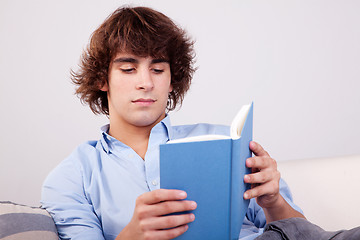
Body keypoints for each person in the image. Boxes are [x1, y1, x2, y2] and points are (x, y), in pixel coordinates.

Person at [41, 6, 306, 240]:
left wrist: (273, 202)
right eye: (128, 69)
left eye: (158, 69)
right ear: (102, 79)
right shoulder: (71, 178)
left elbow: (306, 233)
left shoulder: (224, 142)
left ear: (171, 81)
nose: (146, 83)